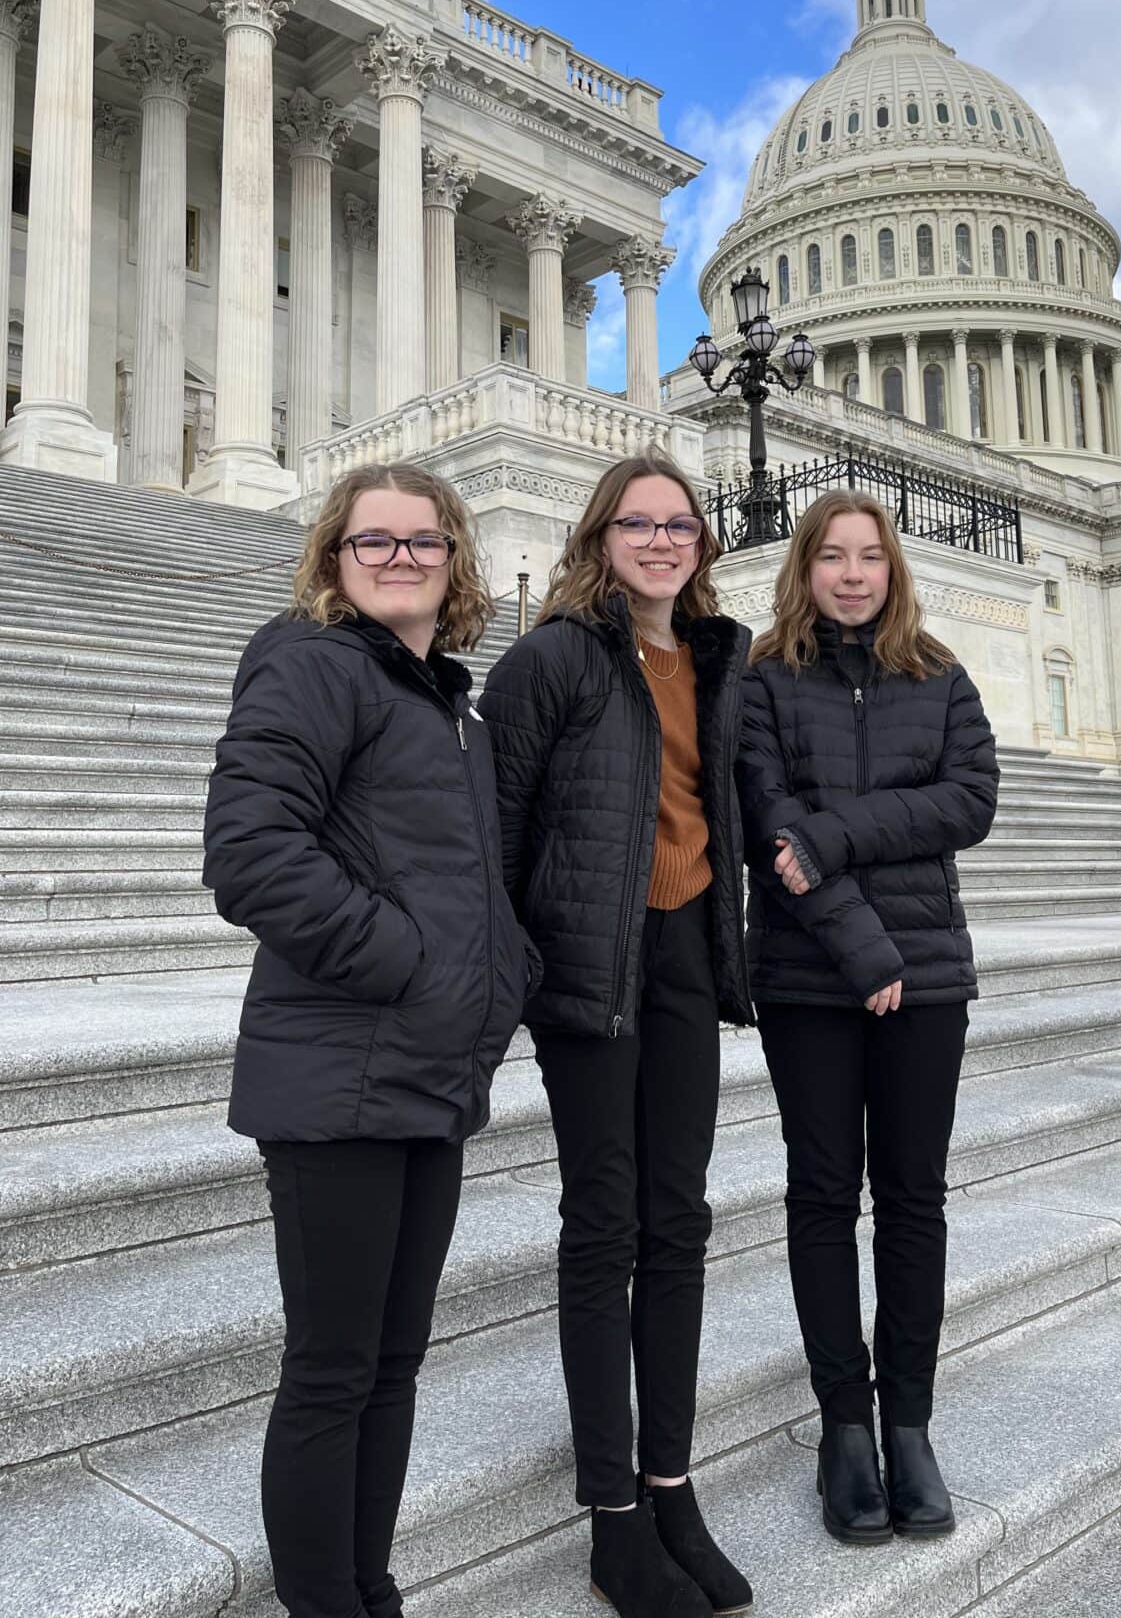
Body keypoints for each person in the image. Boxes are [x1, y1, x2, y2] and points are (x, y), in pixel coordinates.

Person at [203, 462, 535, 1618]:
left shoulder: (447, 699)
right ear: (335, 560)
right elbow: (250, 856)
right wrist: (411, 964)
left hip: (428, 1074)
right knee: (335, 1371)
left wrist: (496, 986)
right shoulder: (307, 663)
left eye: (423, 542)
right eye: (374, 541)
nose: (401, 559)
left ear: (456, 559)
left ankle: (368, 1591)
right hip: (337, 1072)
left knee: (393, 1365)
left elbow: (471, 881)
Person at [479, 449, 754, 1618]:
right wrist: (519, 969)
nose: (659, 541)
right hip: (591, 967)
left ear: (699, 544)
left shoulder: (716, 657)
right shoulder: (549, 659)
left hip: (690, 948)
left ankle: (671, 1483)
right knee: (604, 1227)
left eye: (678, 525)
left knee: (678, 1221)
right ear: (601, 538)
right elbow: (494, 829)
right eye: (638, 524)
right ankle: (613, 1519)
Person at [736, 490, 999, 1547]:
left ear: (894, 571)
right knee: (819, 1196)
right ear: (802, 570)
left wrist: (840, 837)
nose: (851, 574)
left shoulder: (939, 675)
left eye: (870, 558)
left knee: (913, 1200)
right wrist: (863, 947)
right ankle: (845, 1424)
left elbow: (970, 801)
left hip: (926, 977)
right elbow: (770, 828)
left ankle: (911, 1422)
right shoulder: (762, 684)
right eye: (831, 557)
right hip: (812, 974)